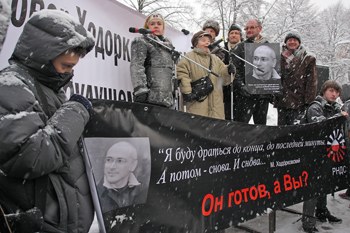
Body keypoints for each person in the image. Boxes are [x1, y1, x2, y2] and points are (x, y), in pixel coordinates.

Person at [0, 9, 95, 233]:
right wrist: (76, 111)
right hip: (40, 220)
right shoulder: (9, 85)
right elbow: (29, 156)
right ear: (42, 54)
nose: (68, 74)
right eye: (65, 65)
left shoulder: (50, 88)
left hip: (59, 221)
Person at [302, 80, 346, 233]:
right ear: (324, 91)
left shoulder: (333, 107)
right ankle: (307, 222)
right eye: (331, 91)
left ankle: (321, 211)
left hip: (325, 152)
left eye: (337, 92)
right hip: (311, 153)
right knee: (313, 187)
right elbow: (320, 127)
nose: (334, 94)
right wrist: (338, 117)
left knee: (324, 183)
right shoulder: (316, 106)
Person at [177, 31, 235, 119]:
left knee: (215, 131)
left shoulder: (215, 59)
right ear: (196, 43)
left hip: (216, 107)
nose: (207, 42)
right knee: (198, 130)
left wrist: (228, 71)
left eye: (209, 41)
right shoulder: (188, 58)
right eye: (203, 40)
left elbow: (223, 79)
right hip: (197, 104)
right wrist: (188, 92)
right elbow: (182, 75)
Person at [130, 13, 175, 108]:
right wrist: (140, 90)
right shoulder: (141, 41)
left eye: (159, 23)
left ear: (163, 27)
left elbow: (172, 72)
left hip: (167, 101)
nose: (156, 26)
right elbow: (137, 66)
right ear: (147, 26)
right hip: (149, 99)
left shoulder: (169, 47)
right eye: (152, 24)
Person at [230, 18, 270, 124]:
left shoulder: (269, 46)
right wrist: (242, 87)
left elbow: (273, 70)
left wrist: (271, 90)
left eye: (252, 27)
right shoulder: (240, 47)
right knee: (241, 127)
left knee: (261, 128)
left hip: (262, 96)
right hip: (245, 96)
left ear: (260, 28)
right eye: (246, 28)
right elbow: (235, 70)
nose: (248, 30)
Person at [274, 32, 318, 125]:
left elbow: (311, 82)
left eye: (295, 40)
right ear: (286, 43)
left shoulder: (308, 58)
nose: (292, 42)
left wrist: (309, 101)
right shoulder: (278, 57)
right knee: (281, 131)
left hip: (299, 101)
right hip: (282, 100)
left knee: (296, 131)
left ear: (299, 43)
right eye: (290, 40)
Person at [97, 141, 147, 213]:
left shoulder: (143, 190)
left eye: (120, 161)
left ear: (133, 165)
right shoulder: (94, 190)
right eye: (109, 160)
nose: (112, 167)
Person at [223, 24, 242, 120]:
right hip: (226, 89)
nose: (234, 35)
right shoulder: (222, 49)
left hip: (241, 90)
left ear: (240, 36)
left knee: (240, 119)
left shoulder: (245, 49)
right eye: (232, 33)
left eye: (237, 33)